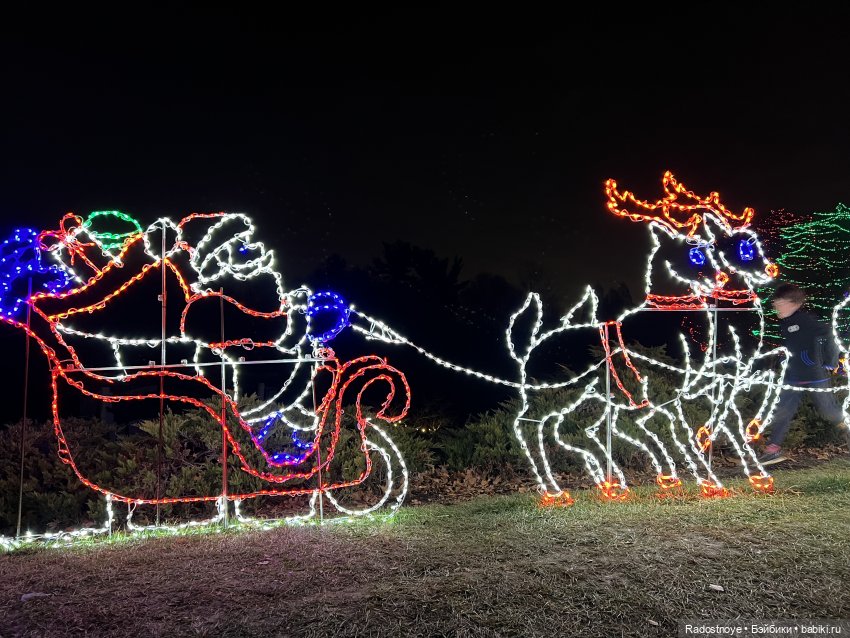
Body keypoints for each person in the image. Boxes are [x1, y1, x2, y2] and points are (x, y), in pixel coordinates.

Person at [759, 283, 849, 465]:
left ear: (794, 303)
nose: (775, 305)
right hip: (793, 375)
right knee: (783, 411)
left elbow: (829, 333)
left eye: (780, 302)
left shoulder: (806, 321)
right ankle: (773, 449)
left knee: (829, 412)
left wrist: (830, 361)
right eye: (775, 302)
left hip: (815, 375)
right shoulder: (785, 323)